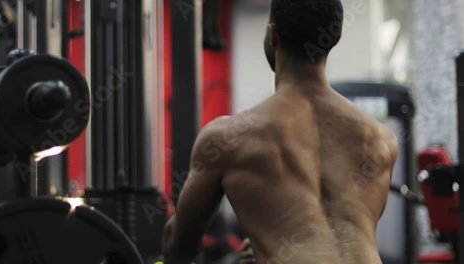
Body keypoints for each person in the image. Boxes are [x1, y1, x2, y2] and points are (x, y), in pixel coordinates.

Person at [161, 0, 399, 263]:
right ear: (332, 39)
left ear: (272, 36)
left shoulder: (227, 138)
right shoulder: (381, 139)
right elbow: (337, 236)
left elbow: (178, 247)